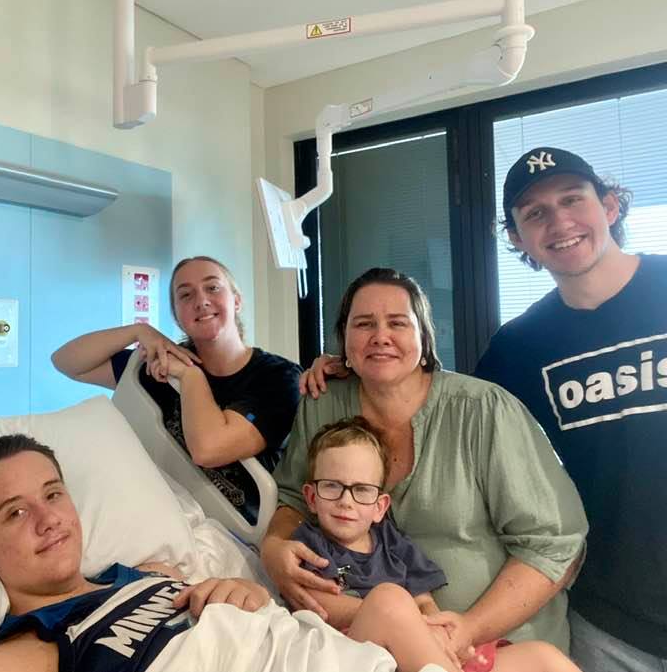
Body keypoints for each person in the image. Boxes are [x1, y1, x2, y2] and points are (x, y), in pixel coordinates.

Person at [0, 433, 488, 672]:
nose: (48, 519)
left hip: (324, 654)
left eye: (53, 494)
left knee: (392, 601)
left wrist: (247, 595)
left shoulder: (146, 573)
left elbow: (258, 618)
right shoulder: (27, 650)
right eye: (15, 512)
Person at [262, 267, 588, 665]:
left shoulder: (484, 411)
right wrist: (273, 549)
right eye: (363, 324)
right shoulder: (322, 404)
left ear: (424, 336)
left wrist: (468, 628)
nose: (380, 336)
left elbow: (554, 544)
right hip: (368, 646)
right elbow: (294, 498)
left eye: (398, 323)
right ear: (343, 339)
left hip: (495, 644)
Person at [473, 147, 667, 672]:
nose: (559, 222)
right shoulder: (517, 348)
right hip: (610, 621)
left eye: (572, 199)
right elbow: (453, 419)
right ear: (517, 238)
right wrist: (354, 369)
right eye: (535, 212)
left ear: (609, 206)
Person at [293, 416, 582, 672]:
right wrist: (404, 621)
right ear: (311, 497)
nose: (346, 501)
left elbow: (424, 600)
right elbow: (316, 601)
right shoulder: (309, 544)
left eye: (361, 489)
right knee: (389, 599)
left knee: (542, 658)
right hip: (357, 654)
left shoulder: (393, 542)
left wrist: (438, 632)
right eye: (331, 486)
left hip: (424, 651)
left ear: (380, 506)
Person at [52, 255, 302, 523]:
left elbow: (209, 449)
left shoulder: (279, 378)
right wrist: (137, 331)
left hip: (239, 531)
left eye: (212, 287)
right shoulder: (161, 364)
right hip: (159, 513)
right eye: (185, 295)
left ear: (236, 301)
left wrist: (191, 376)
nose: (201, 301)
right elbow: (67, 362)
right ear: (177, 317)